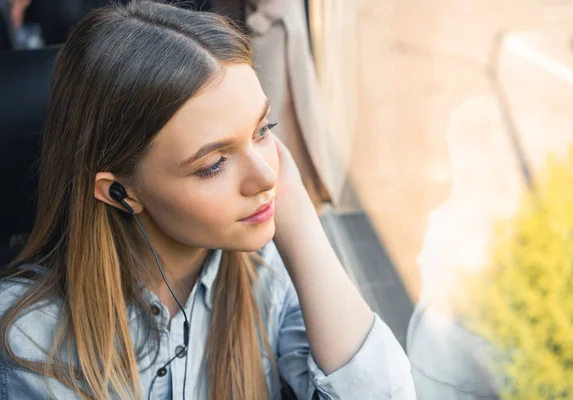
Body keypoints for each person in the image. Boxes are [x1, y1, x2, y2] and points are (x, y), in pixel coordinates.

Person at [0, 2, 416, 399]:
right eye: (214, 164)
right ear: (118, 191)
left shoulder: (268, 274)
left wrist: (301, 223)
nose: (267, 176)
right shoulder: (31, 336)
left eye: (262, 129)